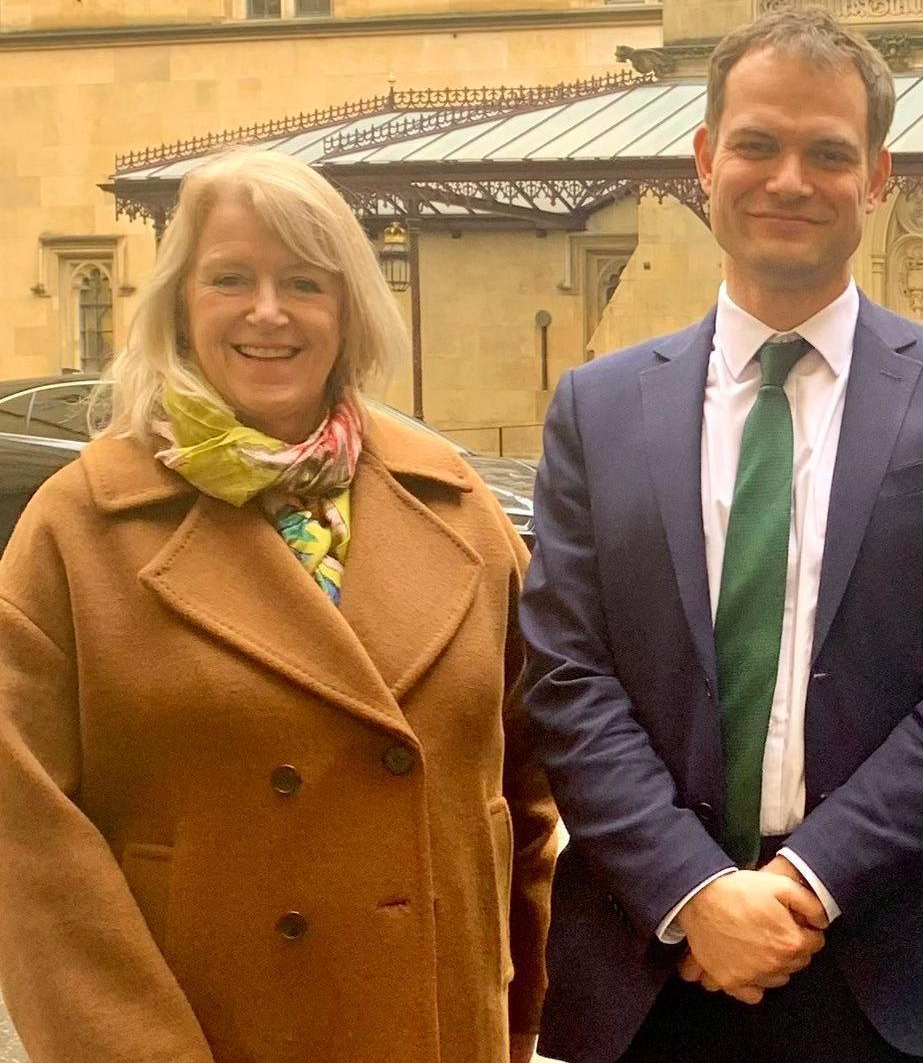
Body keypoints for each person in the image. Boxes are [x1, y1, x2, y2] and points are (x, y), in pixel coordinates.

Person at [519, 5, 923, 1063]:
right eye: (757, 145)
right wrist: (693, 888)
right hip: (649, 961)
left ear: (878, 176)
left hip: (882, 967)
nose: (789, 180)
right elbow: (566, 681)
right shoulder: (597, 407)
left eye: (827, 153)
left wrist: (806, 882)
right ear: (705, 159)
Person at [0, 147, 556, 1062]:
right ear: (182, 304)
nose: (269, 312)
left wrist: (516, 1012)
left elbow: (525, 804)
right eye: (231, 279)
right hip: (210, 1035)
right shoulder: (79, 527)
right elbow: (31, 855)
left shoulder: (453, 504)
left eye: (304, 281)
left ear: (348, 312)